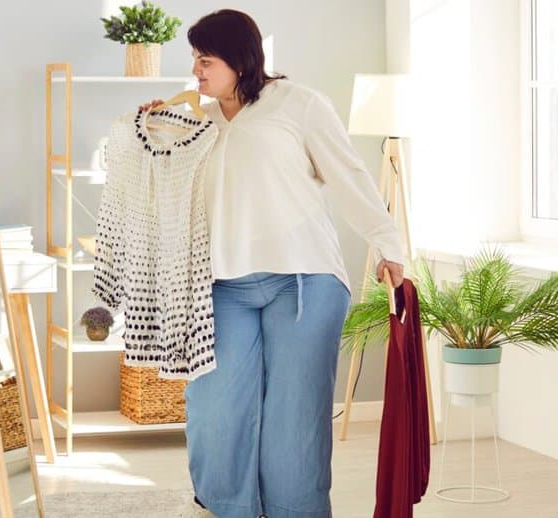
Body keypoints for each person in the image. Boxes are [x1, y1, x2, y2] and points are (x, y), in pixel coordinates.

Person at [139, 9, 406, 518]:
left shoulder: (300, 104)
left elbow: (349, 176)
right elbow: (162, 185)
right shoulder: (196, 119)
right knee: (216, 414)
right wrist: (155, 128)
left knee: (295, 424)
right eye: (194, 60)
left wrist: (388, 244)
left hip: (304, 281)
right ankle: (225, 510)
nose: (196, 71)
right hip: (221, 286)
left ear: (239, 60)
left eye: (205, 60)